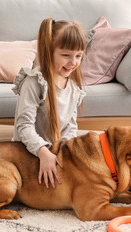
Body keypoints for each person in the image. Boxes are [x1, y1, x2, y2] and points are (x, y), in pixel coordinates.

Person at [12, 18, 86, 189]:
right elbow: (23, 126)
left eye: (78, 56)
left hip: (54, 152)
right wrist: (43, 152)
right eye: (66, 55)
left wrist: (66, 153)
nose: (73, 62)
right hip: (28, 153)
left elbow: (70, 127)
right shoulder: (35, 82)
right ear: (49, 51)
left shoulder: (74, 88)